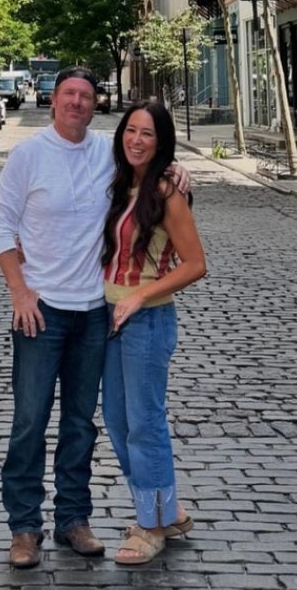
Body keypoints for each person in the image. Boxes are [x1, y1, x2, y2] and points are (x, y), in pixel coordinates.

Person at [0, 67, 190, 569]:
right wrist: (20, 291)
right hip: (41, 313)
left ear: (94, 103)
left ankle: (74, 519)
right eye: (68, 95)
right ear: (52, 101)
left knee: (81, 424)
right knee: (30, 421)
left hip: (96, 313)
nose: (77, 103)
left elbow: (150, 160)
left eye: (85, 96)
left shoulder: (109, 151)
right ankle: (25, 528)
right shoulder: (28, 155)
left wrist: (177, 169)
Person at [102, 101, 206, 565]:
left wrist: (140, 296)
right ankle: (167, 508)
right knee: (120, 422)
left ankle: (152, 525)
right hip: (109, 317)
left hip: (146, 320)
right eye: (131, 130)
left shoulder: (166, 192)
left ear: (161, 142)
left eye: (147, 134)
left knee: (144, 424)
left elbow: (196, 264)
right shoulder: (123, 182)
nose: (137, 140)